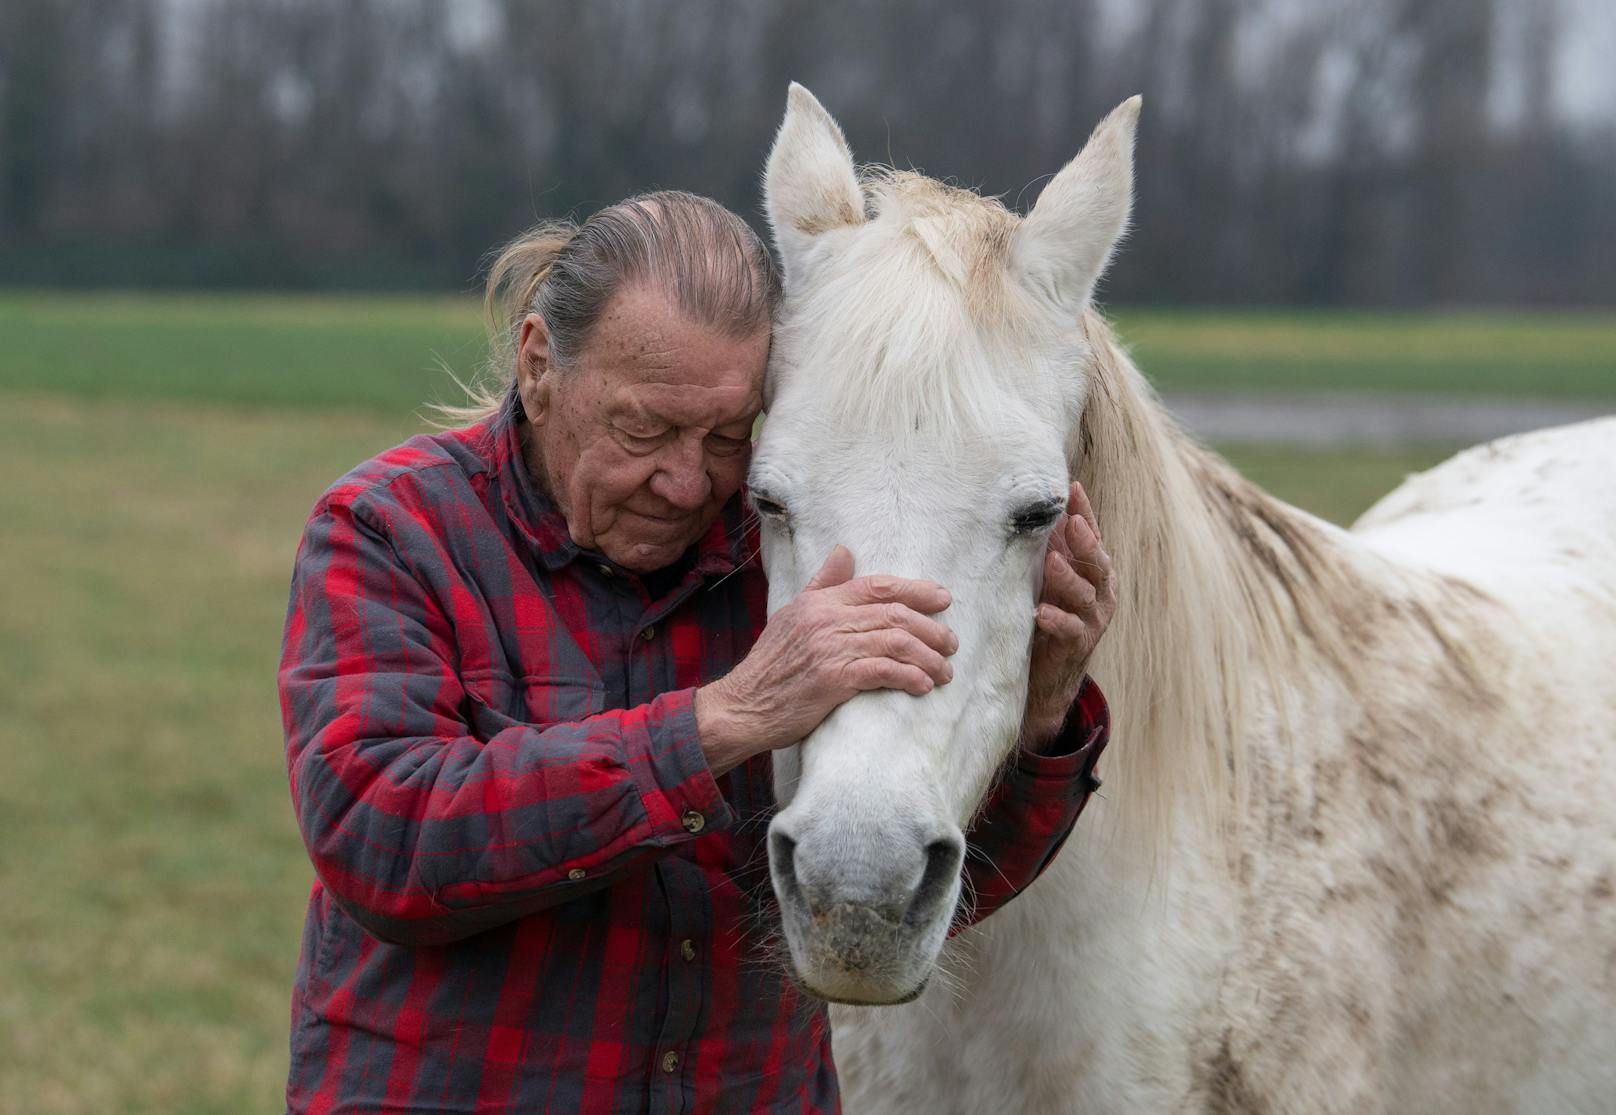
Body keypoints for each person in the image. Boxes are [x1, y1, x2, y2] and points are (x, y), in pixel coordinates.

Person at [277, 190, 1117, 1114]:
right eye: (644, 429)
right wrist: (722, 721)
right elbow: (382, 838)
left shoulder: (778, 551)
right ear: (539, 363)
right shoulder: (392, 529)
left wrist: (1042, 713)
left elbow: (883, 890)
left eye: (726, 438)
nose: (687, 483)